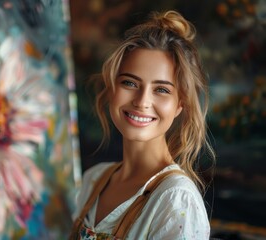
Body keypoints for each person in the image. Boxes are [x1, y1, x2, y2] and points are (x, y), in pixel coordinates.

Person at [70, 10, 215, 240]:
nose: (142, 101)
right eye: (130, 82)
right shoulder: (93, 179)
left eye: (161, 90)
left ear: (181, 104)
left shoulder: (176, 199)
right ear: (111, 89)